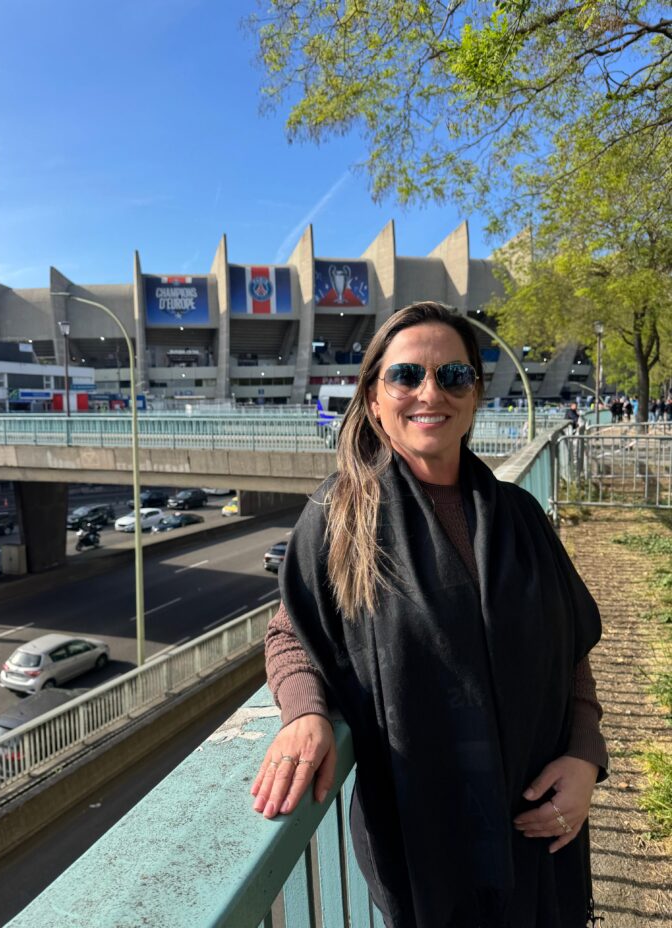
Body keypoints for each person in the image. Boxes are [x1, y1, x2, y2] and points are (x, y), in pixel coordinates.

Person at [251, 302, 607, 928]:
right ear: (374, 397)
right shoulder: (342, 518)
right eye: (406, 375)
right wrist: (304, 712)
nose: (430, 393)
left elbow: (569, 647)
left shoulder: (521, 517)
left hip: (541, 829)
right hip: (424, 848)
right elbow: (292, 633)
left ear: (474, 396)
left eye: (454, 376)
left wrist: (584, 755)